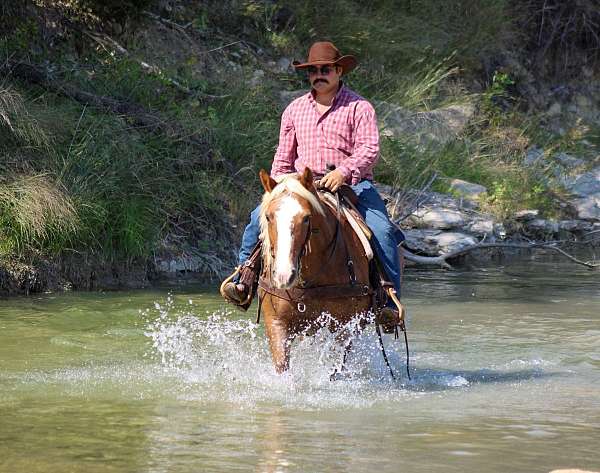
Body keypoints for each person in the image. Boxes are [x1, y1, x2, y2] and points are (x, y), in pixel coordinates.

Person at [222, 41, 404, 322]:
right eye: (313, 70)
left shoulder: (359, 107)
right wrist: (280, 186)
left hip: (351, 185)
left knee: (383, 231)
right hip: (300, 185)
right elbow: (283, 156)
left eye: (325, 69)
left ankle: (388, 300)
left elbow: (369, 148)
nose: (319, 74)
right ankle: (244, 276)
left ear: (339, 70)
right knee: (257, 218)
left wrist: (344, 171)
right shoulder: (294, 110)